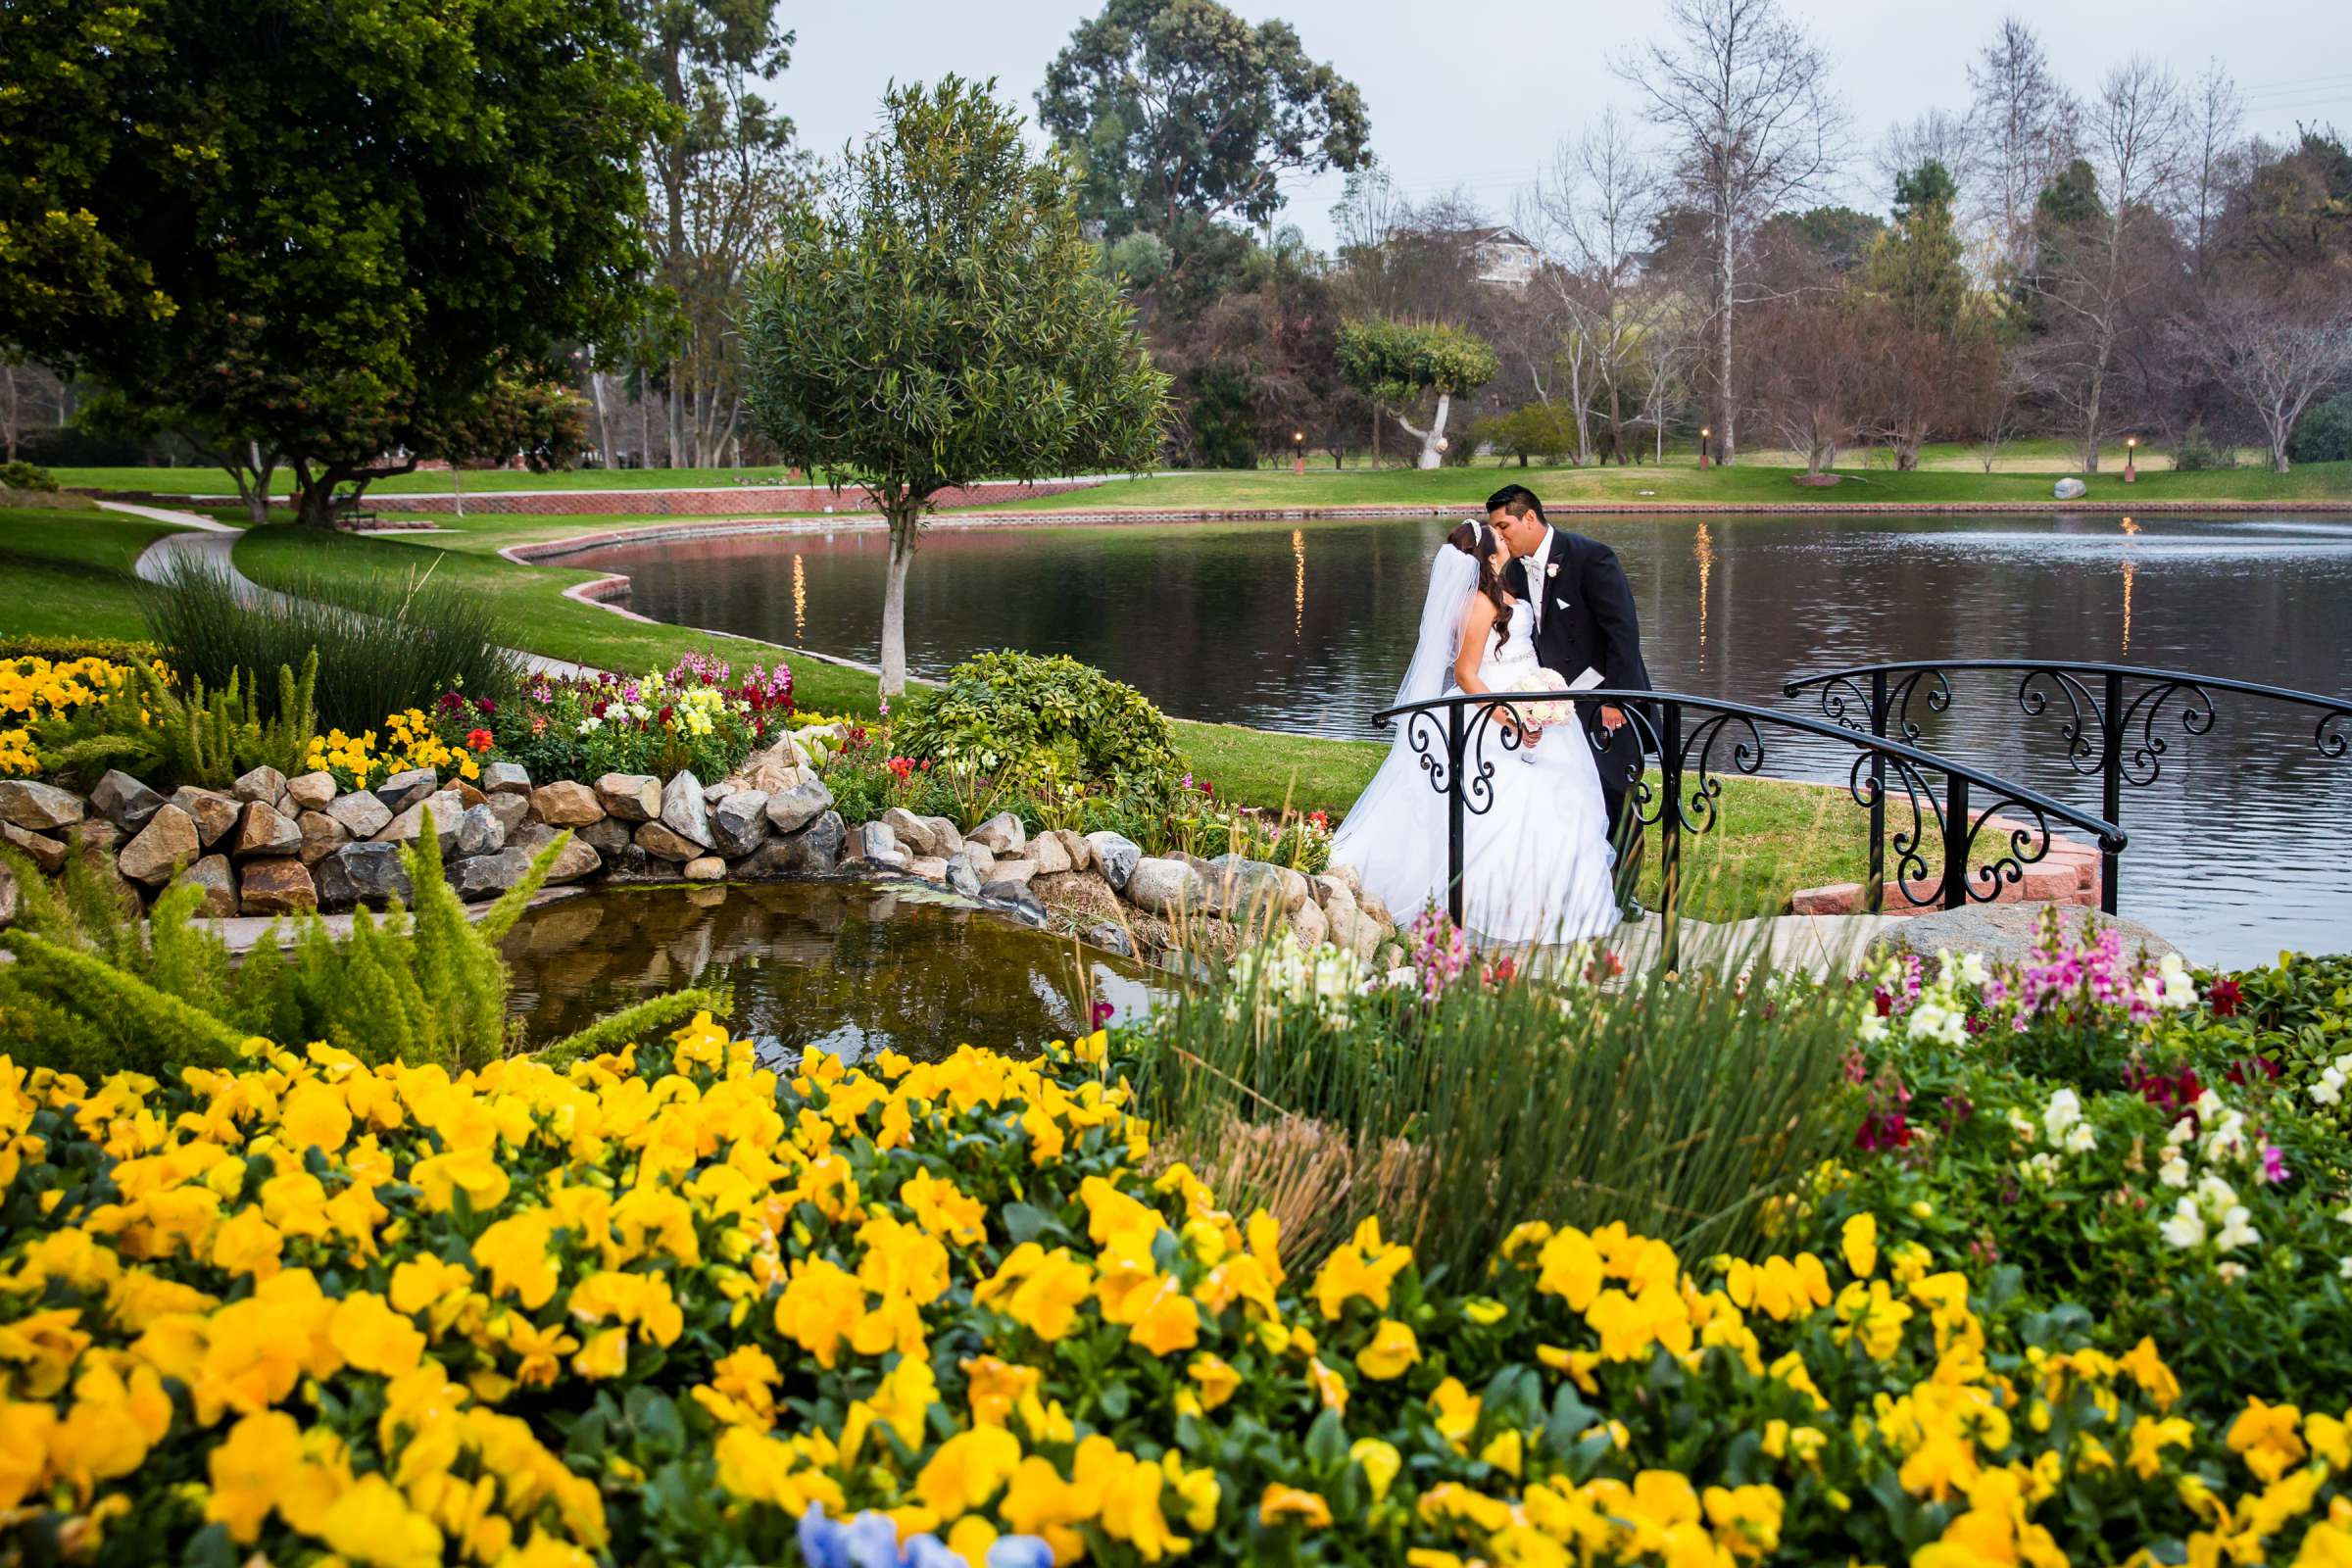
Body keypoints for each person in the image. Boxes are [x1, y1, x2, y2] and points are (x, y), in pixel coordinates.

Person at [1330, 519, 1620, 946]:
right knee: (1501, 819)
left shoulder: (1505, 590)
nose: (1505, 538)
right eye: (1498, 537)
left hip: (1528, 700)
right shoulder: (1481, 605)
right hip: (1497, 715)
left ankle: (1550, 911)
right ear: (1487, 554)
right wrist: (1510, 718)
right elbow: (1466, 674)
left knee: (1560, 808)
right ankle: (1496, 913)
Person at [1486, 483, 1654, 913]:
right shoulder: (1516, 572)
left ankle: (1625, 891)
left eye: (1505, 526)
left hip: (1606, 700)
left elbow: (1623, 632)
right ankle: (1581, 890)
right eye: (1495, 530)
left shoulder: (1591, 557)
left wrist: (1618, 699)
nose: (1500, 536)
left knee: (1617, 793)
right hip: (1553, 705)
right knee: (1574, 796)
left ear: (1529, 517)